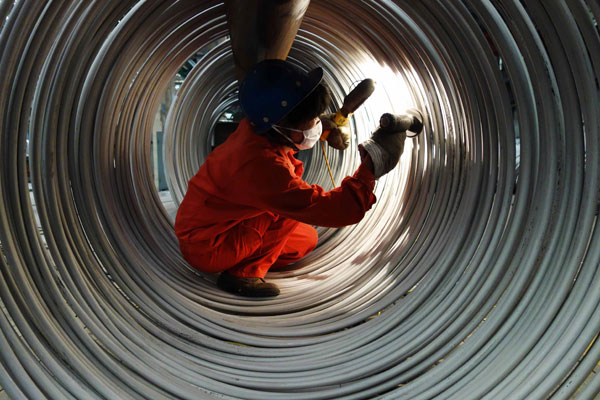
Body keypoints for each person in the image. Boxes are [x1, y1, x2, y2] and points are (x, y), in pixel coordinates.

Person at [174, 59, 423, 297]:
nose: (315, 124)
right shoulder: (261, 168)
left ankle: (247, 256)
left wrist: (323, 125)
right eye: (312, 120)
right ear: (281, 126)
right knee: (285, 210)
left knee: (306, 240)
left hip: (220, 225)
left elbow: (284, 145)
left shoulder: (257, 129)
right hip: (208, 245)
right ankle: (242, 274)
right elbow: (332, 209)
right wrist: (369, 169)